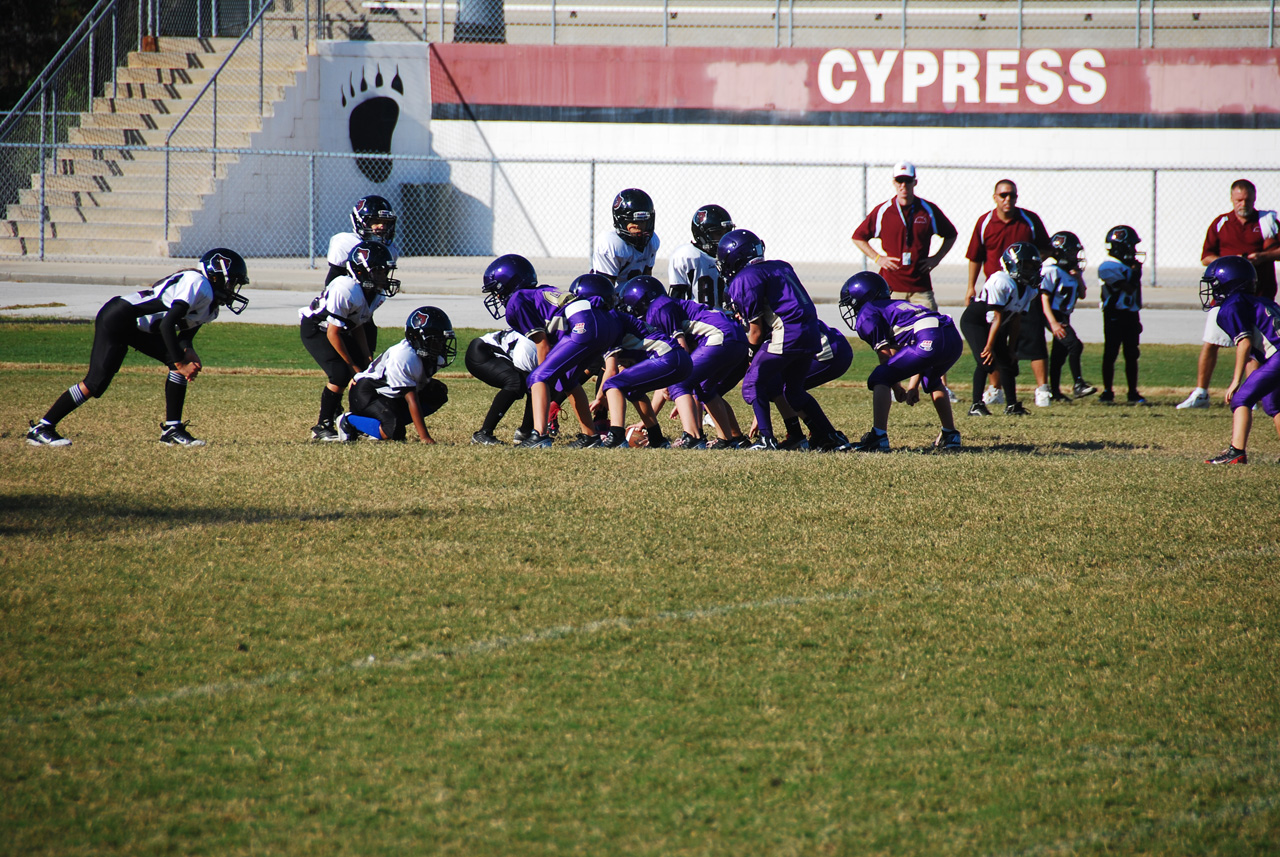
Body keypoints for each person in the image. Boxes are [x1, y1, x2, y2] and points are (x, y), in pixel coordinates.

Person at [26, 249, 250, 448]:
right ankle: (42, 428)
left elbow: (183, 337)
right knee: (95, 383)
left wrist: (187, 352)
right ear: (216, 275)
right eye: (232, 282)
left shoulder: (212, 309)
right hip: (119, 317)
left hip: (139, 327)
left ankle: (172, 429)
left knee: (176, 362)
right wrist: (180, 363)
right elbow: (167, 323)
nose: (232, 289)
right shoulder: (197, 283)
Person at [718, 228, 848, 451]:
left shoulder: (745, 278)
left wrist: (750, 354)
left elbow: (756, 331)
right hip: (811, 332)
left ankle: (766, 439)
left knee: (753, 382)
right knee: (793, 391)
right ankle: (828, 435)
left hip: (789, 332)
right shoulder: (781, 266)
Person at [479, 254, 604, 446]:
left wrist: (544, 376)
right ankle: (591, 437)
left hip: (580, 326)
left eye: (497, 291)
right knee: (569, 381)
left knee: (539, 376)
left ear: (510, 285)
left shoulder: (517, 301)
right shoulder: (541, 292)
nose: (496, 297)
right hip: (598, 323)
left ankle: (539, 436)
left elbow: (542, 344)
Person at [1178, 179, 1280, 409]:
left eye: (1247, 199)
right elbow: (1206, 256)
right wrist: (1229, 264)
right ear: (1232, 199)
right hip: (1225, 295)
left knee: (1254, 349)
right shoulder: (1221, 223)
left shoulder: (1266, 221)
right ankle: (1201, 392)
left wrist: (1261, 257)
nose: (1242, 204)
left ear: (1254, 198)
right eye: (1238, 199)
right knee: (1211, 342)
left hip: (1257, 295)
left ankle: (1250, 393)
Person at [617, 275, 749, 448]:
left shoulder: (658, 308)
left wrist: (670, 383)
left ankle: (693, 438)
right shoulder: (667, 305)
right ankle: (727, 440)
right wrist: (647, 423)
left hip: (720, 337)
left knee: (681, 381)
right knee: (704, 389)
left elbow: (681, 350)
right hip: (735, 338)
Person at [839, 271, 963, 451]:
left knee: (880, 376)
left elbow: (885, 355)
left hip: (929, 338)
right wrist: (913, 385)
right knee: (933, 380)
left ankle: (879, 436)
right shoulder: (897, 305)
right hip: (951, 336)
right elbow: (916, 352)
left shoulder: (868, 311)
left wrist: (896, 386)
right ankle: (950, 434)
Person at [300, 241, 399, 441]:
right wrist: (351, 364)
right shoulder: (346, 289)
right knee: (339, 374)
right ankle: (323, 425)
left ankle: (357, 420)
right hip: (317, 328)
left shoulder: (373, 294)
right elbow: (332, 333)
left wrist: (365, 356)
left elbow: (358, 323)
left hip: (340, 330)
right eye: (379, 272)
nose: (384, 277)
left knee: (366, 372)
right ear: (362, 272)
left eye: (385, 271)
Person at [964, 179, 1050, 405]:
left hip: (1019, 290)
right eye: (1003, 195)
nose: (1007, 199)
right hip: (996, 296)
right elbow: (975, 255)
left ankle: (1039, 390)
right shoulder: (985, 223)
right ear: (995, 197)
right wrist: (971, 285)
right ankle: (989, 394)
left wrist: (1029, 268)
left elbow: (1045, 248)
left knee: (1030, 341)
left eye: (1011, 195)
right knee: (990, 352)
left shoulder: (1028, 220)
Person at [1198, 256, 1280, 464]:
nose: (1211, 290)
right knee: (1273, 404)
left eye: (1214, 284)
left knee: (1241, 398)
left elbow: (1244, 343)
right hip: (1276, 356)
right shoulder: (1262, 301)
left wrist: (1235, 381)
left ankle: (1236, 452)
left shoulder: (1231, 306)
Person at [337, 306, 454, 443]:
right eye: (436, 341)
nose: (441, 346)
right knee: (394, 430)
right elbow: (412, 399)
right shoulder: (403, 356)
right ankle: (348, 421)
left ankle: (380, 425)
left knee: (437, 394)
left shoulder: (428, 356)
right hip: (368, 392)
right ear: (417, 337)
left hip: (390, 394)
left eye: (442, 341)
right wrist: (425, 437)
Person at [851, 162, 958, 312]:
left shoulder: (927, 210)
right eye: (900, 181)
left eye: (907, 181)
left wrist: (937, 258)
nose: (903, 185)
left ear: (915, 182)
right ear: (894, 182)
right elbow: (858, 237)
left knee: (932, 326)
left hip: (920, 287)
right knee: (890, 330)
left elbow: (951, 234)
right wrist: (878, 258)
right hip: (891, 288)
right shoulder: (884, 211)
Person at [589, 307, 694, 449]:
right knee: (633, 390)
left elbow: (611, 371)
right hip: (680, 359)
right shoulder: (616, 319)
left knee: (613, 383)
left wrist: (599, 397)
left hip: (667, 356)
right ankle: (657, 439)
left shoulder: (608, 324)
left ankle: (616, 436)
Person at [960, 242, 1040, 416]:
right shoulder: (1001, 280)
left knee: (1007, 362)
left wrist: (1012, 349)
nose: (1030, 270)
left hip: (998, 323)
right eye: (1026, 265)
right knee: (986, 361)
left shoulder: (1028, 289)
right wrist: (989, 346)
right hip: (976, 321)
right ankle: (976, 405)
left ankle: (1012, 405)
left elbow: (1015, 320)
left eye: (1033, 266)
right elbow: (995, 316)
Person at [1040, 231, 1097, 402]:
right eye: (1072, 252)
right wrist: (1053, 323)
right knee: (1075, 346)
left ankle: (1055, 392)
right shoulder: (1051, 271)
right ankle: (1078, 384)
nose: (1075, 255)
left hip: (1064, 315)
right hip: (1054, 315)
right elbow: (1044, 299)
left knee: (1060, 353)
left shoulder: (1071, 273)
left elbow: (1082, 294)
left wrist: (1079, 278)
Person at [1096, 225, 1146, 404]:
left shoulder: (1125, 265)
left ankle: (1133, 391)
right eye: (1130, 245)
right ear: (1120, 247)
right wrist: (1134, 273)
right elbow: (1128, 287)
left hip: (1130, 314)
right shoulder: (1108, 266)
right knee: (1111, 353)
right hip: (1114, 314)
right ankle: (1107, 391)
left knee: (1132, 354)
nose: (1133, 250)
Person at [466, 328, 539, 446]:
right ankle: (483, 433)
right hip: (482, 353)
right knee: (517, 383)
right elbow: (534, 387)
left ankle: (525, 432)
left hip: (494, 352)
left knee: (536, 386)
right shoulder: (529, 347)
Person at [592, 188, 659, 290]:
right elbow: (605, 290)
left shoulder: (652, 242)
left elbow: (647, 280)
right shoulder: (612, 244)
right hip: (611, 298)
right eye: (633, 222)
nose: (639, 227)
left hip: (635, 297)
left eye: (643, 222)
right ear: (621, 222)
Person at [325, 195, 399, 285]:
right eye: (376, 221)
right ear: (360, 222)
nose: (382, 226)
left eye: (385, 222)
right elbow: (332, 282)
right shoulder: (347, 243)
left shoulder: (390, 249)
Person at [669, 203, 734, 306]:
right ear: (702, 235)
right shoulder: (688, 256)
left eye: (726, 233)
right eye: (718, 234)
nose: (723, 239)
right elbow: (676, 300)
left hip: (726, 316)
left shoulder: (732, 255)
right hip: (699, 318)